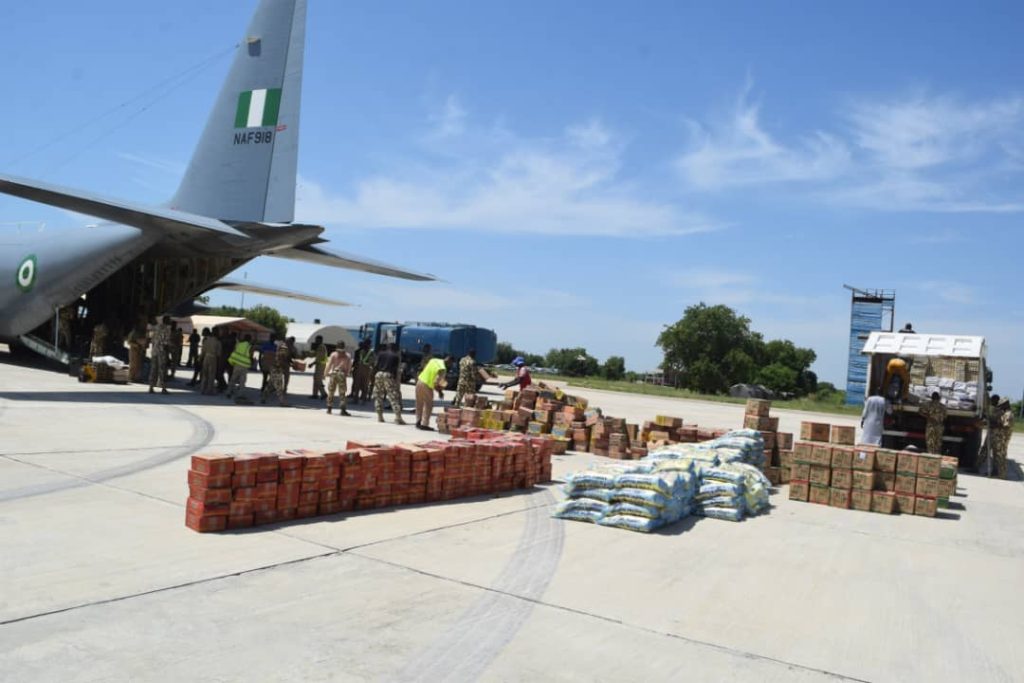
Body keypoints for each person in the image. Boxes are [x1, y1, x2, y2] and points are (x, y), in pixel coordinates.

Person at [415, 354, 451, 430]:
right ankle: (424, 424)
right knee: (428, 405)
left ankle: (418, 421)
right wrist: (440, 392)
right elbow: (436, 383)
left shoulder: (434, 360)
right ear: (449, 362)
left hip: (419, 381)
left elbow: (426, 369)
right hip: (427, 385)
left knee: (419, 403)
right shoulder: (442, 369)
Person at [373, 343, 406, 424]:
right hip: (388, 375)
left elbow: (376, 365)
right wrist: (395, 381)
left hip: (379, 374)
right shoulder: (395, 356)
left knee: (378, 395)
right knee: (393, 396)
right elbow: (395, 369)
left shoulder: (380, 354)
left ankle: (380, 416)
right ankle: (398, 417)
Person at [324, 341, 352, 416]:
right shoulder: (347, 355)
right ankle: (343, 410)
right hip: (342, 374)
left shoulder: (334, 354)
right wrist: (347, 374)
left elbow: (329, 365)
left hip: (334, 373)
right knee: (342, 392)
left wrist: (326, 373)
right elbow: (349, 367)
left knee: (331, 391)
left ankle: (329, 408)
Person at [262, 337, 291, 406]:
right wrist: (285, 366)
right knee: (279, 385)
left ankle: (263, 398)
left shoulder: (279, 346)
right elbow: (281, 358)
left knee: (270, 385)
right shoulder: (284, 347)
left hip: (273, 368)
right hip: (277, 369)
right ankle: (282, 402)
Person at [991, 397, 1014, 479]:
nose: (1000, 407)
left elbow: (1006, 426)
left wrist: (995, 424)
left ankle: (1002, 475)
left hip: (1003, 438)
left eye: (1002, 405)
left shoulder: (1008, 414)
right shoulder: (1005, 413)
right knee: (998, 455)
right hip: (1001, 437)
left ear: (1006, 405)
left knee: (1001, 456)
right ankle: (998, 473)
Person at [226, 333, 254, 399]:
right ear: (249, 339)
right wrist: (251, 362)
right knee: (242, 381)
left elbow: (234, 352)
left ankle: (228, 392)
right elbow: (251, 355)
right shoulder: (250, 346)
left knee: (233, 379)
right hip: (244, 365)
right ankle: (240, 394)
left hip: (237, 364)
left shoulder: (239, 344)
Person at [148, 316, 171, 394]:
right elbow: (166, 342)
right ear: (166, 321)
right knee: (162, 369)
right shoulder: (167, 329)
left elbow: (151, 339)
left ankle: (151, 387)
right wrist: (168, 354)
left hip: (154, 351)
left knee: (153, 368)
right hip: (162, 351)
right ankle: (163, 388)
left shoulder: (155, 327)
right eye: (169, 320)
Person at [350, 339, 375, 403]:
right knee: (365, 384)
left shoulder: (361, 351)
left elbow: (357, 360)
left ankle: (355, 399)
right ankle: (363, 399)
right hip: (367, 369)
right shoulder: (371, 352)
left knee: (357, 384)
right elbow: (372, 362)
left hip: (359, 368)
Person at [199, 328, 221, 395]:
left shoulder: (206, 340)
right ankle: (209, 390)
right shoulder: (218, 342)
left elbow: (203, 351)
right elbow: (219, 354)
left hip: (206, 357)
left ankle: (202, 389)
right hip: (213, 358)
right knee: (211, 374)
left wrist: (200, 359)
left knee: (205, 374)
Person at [309, 335, 328, 400]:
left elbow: (319, 358)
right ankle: (315, 394)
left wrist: (312, 364)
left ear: (320, 340)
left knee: (318, 380)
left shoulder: (321, 347)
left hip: (320, 365)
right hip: (320, 364)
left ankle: (324, 394)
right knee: (316, 379)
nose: (316, 341)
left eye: (317, 340)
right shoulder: (321, 347)